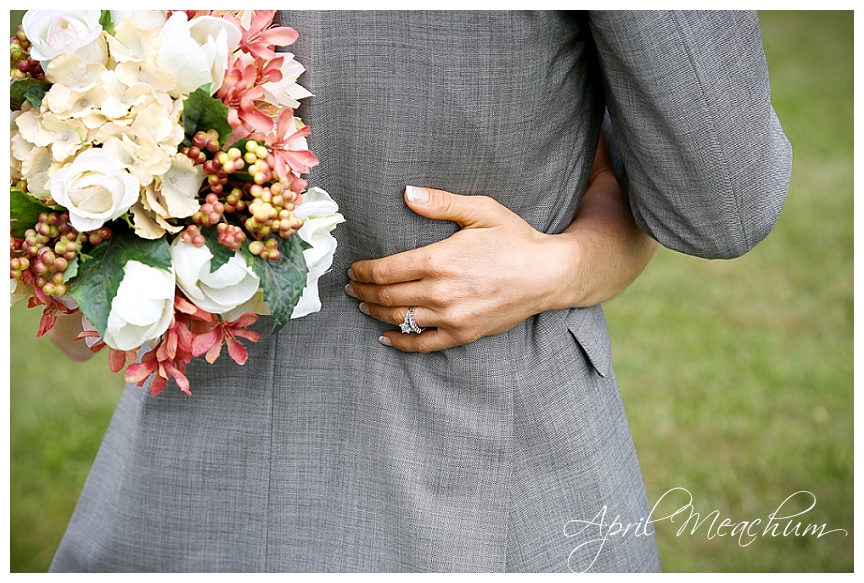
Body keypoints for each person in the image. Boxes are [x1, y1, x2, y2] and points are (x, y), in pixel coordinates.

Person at [48, 11, 790, 572]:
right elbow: (720, 201)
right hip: (484, 455)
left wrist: (575, 260)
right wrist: (572, 263)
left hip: (189, 467)